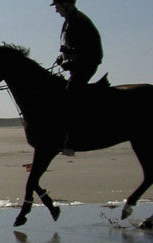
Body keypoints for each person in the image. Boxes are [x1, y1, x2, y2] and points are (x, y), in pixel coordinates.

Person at [51, 0, 102, 156]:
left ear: (67, 4)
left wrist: (68, 62)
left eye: (58, 6)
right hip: (77, 66)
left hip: (85, 66)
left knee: (69, 96)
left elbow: (86, 50)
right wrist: (63, 58)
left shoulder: (78, 20)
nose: (56, 10)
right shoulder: (70, 21)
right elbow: (71, 47)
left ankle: (72, 140)